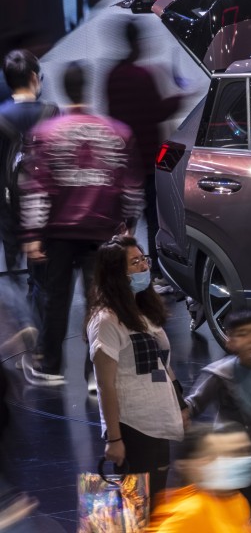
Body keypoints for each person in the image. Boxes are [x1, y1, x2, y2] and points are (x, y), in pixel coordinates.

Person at [20, 65, 143, 387]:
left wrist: (32, 235)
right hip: (102, 233)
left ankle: (50, 367)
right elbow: (131, 188)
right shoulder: (118, 132)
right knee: (100, 303)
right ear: (89, 87)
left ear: (62, 86)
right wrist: (128, 227)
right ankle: (95, 374)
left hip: (58, 233)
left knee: (55, 300)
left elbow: (38, 188)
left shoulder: (46, 133)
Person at [87, 235, 186, 499]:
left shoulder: (143, 309)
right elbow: (106, 384)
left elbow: (160, 365)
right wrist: (114, 439)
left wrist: (181, 404)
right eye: (135, 262)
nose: (144, 267)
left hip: (158, 420)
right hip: (132, 426)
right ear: (116, 274)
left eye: (143, 259)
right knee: (137, 509)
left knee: (155, 504)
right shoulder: (106, 320)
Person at [184, 310, 251, 512]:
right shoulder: (218, 374)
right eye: (242, 334)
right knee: (227, 513)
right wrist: (180, 412)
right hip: (227, 460)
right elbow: (194, 404)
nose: (250, 339)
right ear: (230, 341)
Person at [105, 21, 184, 284]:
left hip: (124, 161)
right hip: (148, 161)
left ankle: (122, 271)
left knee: (126, 222)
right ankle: (157, 272)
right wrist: (179, 98)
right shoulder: (143, 75)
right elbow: (158, 112)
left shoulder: (113, 75)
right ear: (138, 42)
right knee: (153, 219)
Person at [0, 50, 57, 278]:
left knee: (13, 275)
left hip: (8, 204)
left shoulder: (1, 118)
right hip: (45, 206)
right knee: (46, 275)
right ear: (34, 77)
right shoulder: (51, 112)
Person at [147, 424, 251, 533]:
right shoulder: (190, 512)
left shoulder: (239, 501)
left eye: (244, 451)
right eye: (230, 453)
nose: (239, 460)